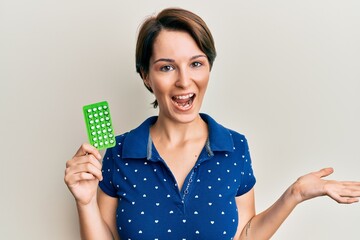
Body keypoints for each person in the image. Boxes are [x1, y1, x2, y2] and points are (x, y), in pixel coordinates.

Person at [64, 7, 360, 240]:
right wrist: (85, 202)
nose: (184, 80)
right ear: (145, 76)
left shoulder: (234, 147)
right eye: (166, 67)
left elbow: (245, 235)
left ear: (208, 68)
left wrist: (294, 194)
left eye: (196, 63)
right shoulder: (117, 153)